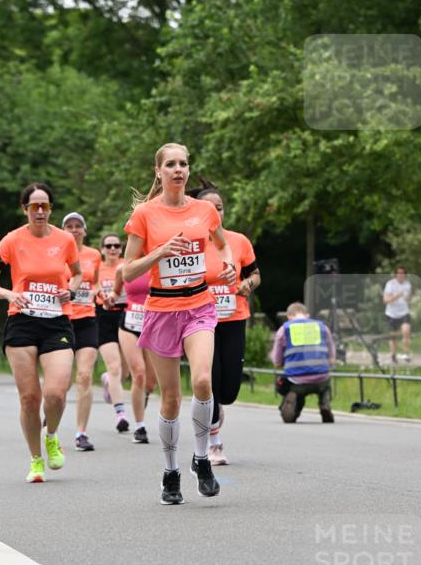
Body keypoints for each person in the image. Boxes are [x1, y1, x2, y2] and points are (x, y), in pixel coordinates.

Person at [123, 142, 236, 505]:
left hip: (200, 305)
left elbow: (222, 243)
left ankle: (201, 459)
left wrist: (230, 262)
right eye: (170, 164)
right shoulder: (144, 214)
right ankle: (170, 471)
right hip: (161, 310)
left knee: (203, 380)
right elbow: (127, 272)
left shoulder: (204, 210)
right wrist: (158, 252)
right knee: (170, 397)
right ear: (158, 171)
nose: (178, 170)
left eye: (183, 164)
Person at [0, 182, 81, 482]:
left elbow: (76, 275)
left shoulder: (64, 241)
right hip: (22, 322)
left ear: (51, 209)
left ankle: (51, 434)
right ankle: (36, 459)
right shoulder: (11, 241)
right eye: (34, 206)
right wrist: (10, 294)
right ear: (25, 209)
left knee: (56, 393)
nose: (40, 211)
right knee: (29, 398)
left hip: (56, 322)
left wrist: (70, 292)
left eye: (45, 206)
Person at [189, 181, 261, 466]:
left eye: (219, 207)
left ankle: (215, 421)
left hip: (233, 318)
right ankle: (213, 442)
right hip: (199, 320)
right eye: (209, 208)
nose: (215, 212)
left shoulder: (239, 241)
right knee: (210, 380)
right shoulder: (190, 242)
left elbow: (256, 274)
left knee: (229, 388)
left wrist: (247, 284)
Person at [62, 211, 101, 451]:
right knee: (62, 381)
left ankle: (81, 433)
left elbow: (94, 281)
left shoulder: (94, 255)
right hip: (63, 320)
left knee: (84, 376)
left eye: (78, 226)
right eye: (69, 226)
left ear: (84, 230)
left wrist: (95, 291)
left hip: (87, 320)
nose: (74, 230)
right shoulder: (56, 254)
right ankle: (51, 412)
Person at [271, 302, 335, 423]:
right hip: (321, 378)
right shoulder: (322, 327)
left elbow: (277, 361)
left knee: (284, 383)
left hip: (296, 380)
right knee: (325, 386)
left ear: (289, 316)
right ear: (307, 315)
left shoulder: (285, 329)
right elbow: (331, 357)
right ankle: (324, 403)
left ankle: (291, 398)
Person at [115, 264, 157, 443]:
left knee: (150, 382)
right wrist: (111, 297)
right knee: (138, 373)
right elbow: (116, 293)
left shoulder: (157, 265)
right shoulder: (123, 268)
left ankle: (144, 395)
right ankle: (140, 427)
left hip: (154, 325)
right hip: (129, 324)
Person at [96, 233, 129, 433]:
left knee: (124, 372)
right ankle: (121, 415)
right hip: (104, 316)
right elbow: (91, 287)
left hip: (126, 315)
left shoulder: (127, 266)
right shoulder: (96, 269)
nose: (113, 249)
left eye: (116, 245)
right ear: (102, 249)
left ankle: (108, 380)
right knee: (115, 366)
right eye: (108, 246)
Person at [383, 265, 413, 364]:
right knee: (393, 336)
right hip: (391, 314)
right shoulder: (390, 284)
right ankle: (393, 356)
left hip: (404, 312)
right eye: (399, 273)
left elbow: (408, 299)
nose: (400, 275)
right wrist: (397, 296)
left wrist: (408, 299)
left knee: (406, 331)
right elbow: (386, 300)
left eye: (402, 273)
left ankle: (406, 353)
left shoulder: (407, 285)